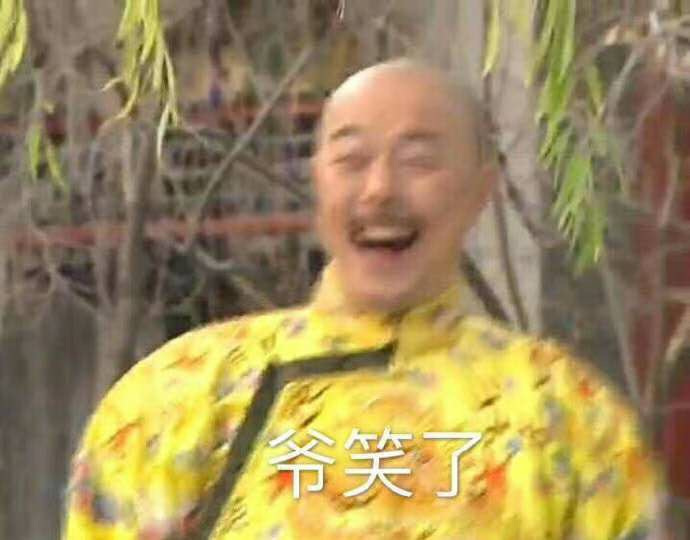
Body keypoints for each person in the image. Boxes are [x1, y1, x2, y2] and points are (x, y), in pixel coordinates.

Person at [62, 59, 665, 539]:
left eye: (419, 160)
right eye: (351, 159)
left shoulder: (569, 417)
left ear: (481, 190)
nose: (380, 189)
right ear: (318, 180)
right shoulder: (179, 396)